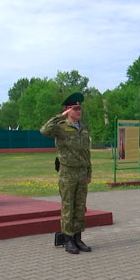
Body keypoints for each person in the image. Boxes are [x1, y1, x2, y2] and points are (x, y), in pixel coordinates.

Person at [40, 93, 92, 255]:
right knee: (68, 206)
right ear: (68, 110)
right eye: (75, 108)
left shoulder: (82, 129)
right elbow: (44, 131)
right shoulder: (61, 126)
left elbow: (86, 153)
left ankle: (78, 238)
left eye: (80, 108)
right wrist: (59, 116)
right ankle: (68, 239)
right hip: (67, 172)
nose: (79, 111)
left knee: (79, 207)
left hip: (82, 172)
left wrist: (89, 171)